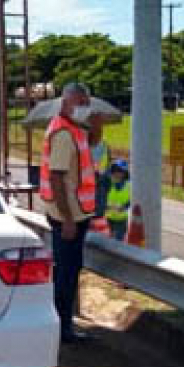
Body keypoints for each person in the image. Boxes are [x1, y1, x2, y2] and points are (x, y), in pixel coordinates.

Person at [39, 82, 96, 343]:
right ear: (67, 102)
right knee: (66, 273)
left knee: (69, 270)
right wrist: (69, 220)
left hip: (74, 212)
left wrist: (97, 124)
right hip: (68, 216)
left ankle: (63, 324)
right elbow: (56, 177)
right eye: (81, 103)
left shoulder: (74, 129)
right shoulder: (63, 133)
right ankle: (62, 328)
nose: (85, 108)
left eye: (87, 103)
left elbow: (90, 145)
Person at [105, 160, 131, 241]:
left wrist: (125, 207)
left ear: (125, 173)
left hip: (121, 220)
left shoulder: (129, 185)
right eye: (115, 171)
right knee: (110, 240)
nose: (117, 173)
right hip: (108, 218)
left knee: (117, 241)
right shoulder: (108, 183)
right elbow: (102, 196)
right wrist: (104, 206)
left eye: (120, 171)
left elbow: (131, 200)